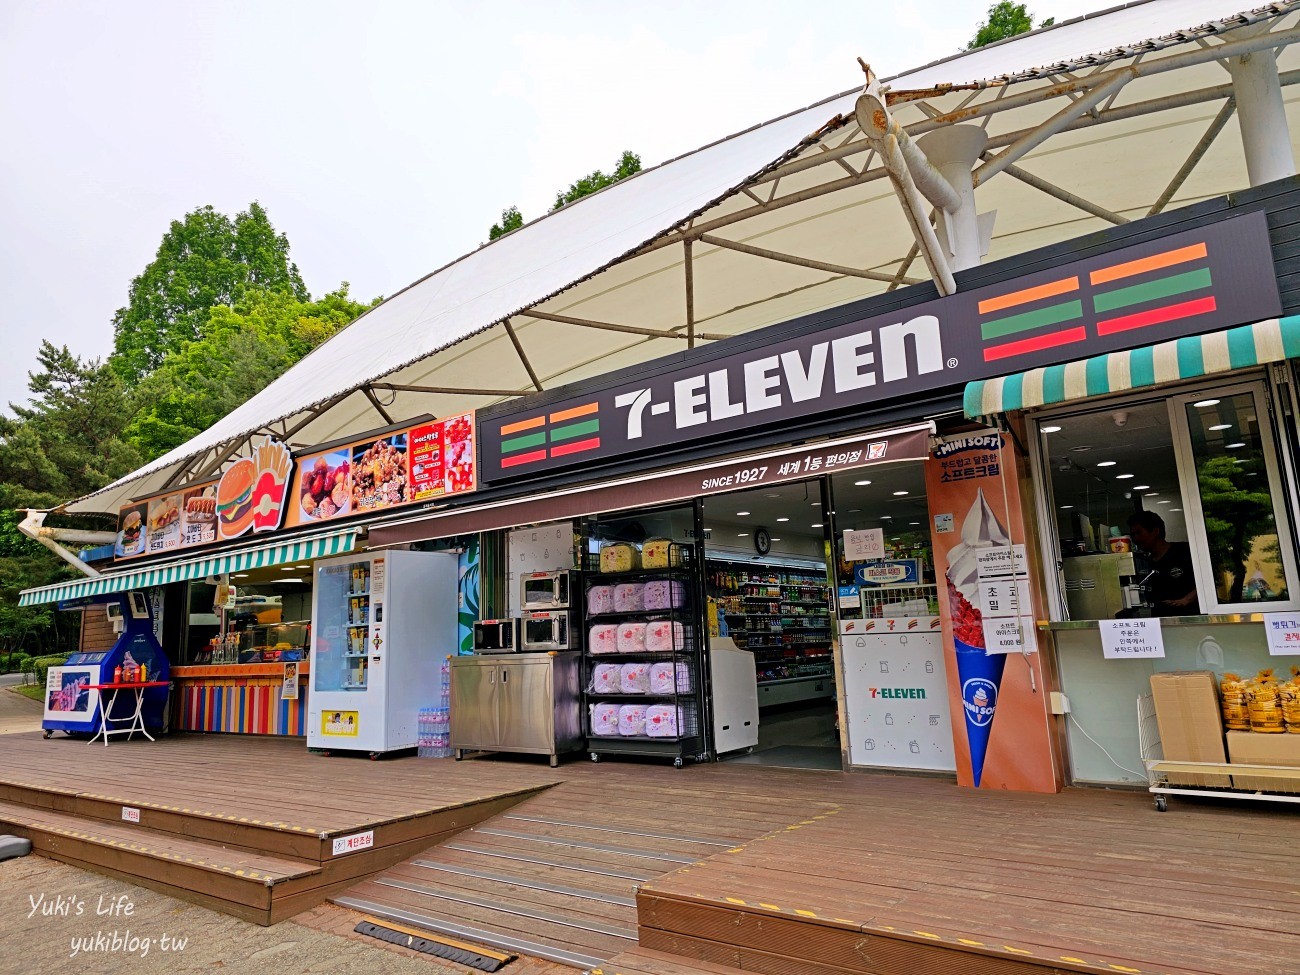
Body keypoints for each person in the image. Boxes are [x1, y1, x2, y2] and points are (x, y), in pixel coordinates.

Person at [1126, 511, 1200, 616]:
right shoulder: (1144, 562)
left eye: (1139, 533)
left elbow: (1208, 580)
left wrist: (1187, 599)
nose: (1136, 539)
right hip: (1162, 622)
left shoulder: (1184, 551)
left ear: (1155, 531)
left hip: (1190, 619)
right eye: (1133, 535)